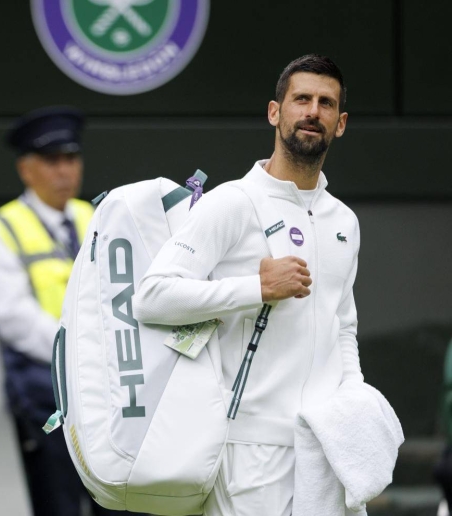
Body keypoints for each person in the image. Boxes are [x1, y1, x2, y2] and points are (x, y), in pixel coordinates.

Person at [133, 54, 361, 515]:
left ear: (340, 123)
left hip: (324, 449)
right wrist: (254, 288)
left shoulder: (345, 221)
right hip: (247, 452)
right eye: (301, 99)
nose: (313, 111)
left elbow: (343, 326)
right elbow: (152, 297)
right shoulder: (232, 202)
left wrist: (355, 402)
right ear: (275, 112)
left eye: (326, 103)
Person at [0, 107, 127, 515]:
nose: (64, 170)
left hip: (110, 385)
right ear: (26, 169)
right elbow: (14, 319)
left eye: (71, 158)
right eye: (52, 161)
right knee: (60, 501)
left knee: (122, 497)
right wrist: (82, 353)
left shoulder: (97, 216)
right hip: (47, 389)